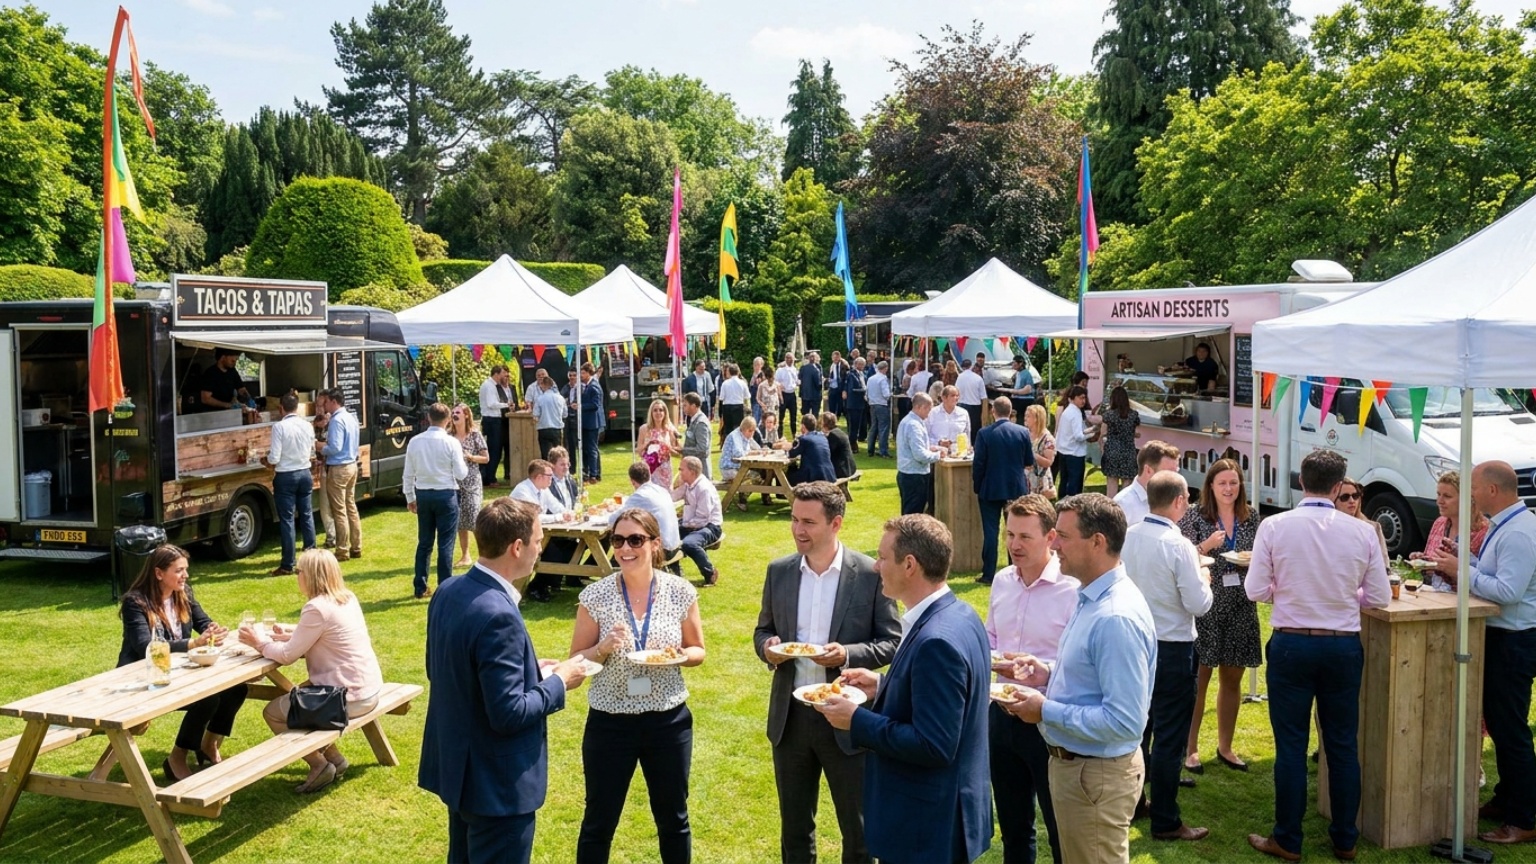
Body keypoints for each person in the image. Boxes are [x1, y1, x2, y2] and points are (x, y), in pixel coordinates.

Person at [419, 497, 589, 864]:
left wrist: (532, 674)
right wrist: (559, 680)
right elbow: (508, 713)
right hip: (495, 785)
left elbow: (448, 672)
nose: (540, 547)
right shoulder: (499, 614)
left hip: (461, 771)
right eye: (538, 539)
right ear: (517, 547)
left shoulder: (448, 590)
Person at [817, 515, 993, 864]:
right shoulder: (960, 615)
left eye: (883, 557)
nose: (876, 566)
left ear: (909, 565)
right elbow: (949, 699)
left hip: (926, 828)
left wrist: (856, 720)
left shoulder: (936, 640)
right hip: (942, 816)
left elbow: (934, 744)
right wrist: (882, 685)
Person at [1244, 450, 1389, 862]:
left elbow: (1255, 590)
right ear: (1339, 484)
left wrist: (1288, 590)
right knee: (1342, 745)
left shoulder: (1275, 525)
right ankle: (1344, 838)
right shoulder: (1360, 532)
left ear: (1301, 481)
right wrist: (1342, 593)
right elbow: (1377, 596)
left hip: (1293, 642)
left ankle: (1288, 838)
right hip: (1341, 644)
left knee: (1291, 746)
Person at [1002, 494, 1156, 864]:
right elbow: (1094, 678)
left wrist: (1045, 710)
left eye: (1064, 537)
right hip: (1083, 772)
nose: (1053, 544)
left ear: (1098, 542)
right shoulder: (1092, 598)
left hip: (1095, 776)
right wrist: (1049, 673)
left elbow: (1124, 721)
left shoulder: (1114, 617)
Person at [754, 481, 901, 864]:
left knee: (859, 832)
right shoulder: (780, 571)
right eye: (794, 519)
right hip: (791, 720)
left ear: (836, 523)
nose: (798, 530)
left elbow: (892, 641)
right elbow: (763, 630)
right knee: (795, 830)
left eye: (809, 522)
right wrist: (769, 649)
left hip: (848, 719)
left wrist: (847, 655)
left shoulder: (869, 573)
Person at [569, 509, 706, 864]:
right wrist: (601, 648)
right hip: (610, 721)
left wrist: (679, 655)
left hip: (668, 720)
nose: (625, 548)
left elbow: (698, 650)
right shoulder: (595, 597)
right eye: (618, 540)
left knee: (673, 818)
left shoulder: (679, 591)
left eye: (635, 540)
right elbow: (576, 663)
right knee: (599, 820)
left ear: (654, 543)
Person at [239, 548, 383, 794]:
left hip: (347, 698)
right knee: (298, 694)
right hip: (369, 690)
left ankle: (318, 764)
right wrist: (293, 634)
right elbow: (328, 633)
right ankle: (335, 760)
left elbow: (286, 656)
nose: (297, 576)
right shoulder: (347, 597)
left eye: (299, 571)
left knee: (274, 712)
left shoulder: (316, 608)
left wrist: (259, 643)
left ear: (311, 575)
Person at [986, 495, 1079, 864]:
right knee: (1013, 828)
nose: (1014, 545)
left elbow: (1077, 661)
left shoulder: (1072, 589)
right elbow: (991, 636)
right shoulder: (1002, 580)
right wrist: (992, 658)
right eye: (1009, 535)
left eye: (1025, 537)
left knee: (1060, 829)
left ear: (1051, 537)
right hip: (1001, 716)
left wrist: (1037, 666)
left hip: (1047, 721)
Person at [1121, 472, 1213, 842]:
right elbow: (1198, 604)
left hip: (1133, 641)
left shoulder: (1127, 536)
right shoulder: (1179, 545)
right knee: (1170, 737)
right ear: (1179, 501)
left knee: (1138, 731)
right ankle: (1165, 819)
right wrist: (1205, 581)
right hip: (1172, 647)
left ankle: (1134, 804)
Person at [114, 545, 243, 783]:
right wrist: (193, 644)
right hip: (143, 680)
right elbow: (146, 646)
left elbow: (203, 621)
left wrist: (212, 630)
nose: (186, 576)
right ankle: (177, 758)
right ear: (159, 573)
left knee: (237, 688)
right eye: (179, 570)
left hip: (179, 673)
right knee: (208, 698)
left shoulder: (184, 593)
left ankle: (209, 744)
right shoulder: (136, 602)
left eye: (186, 569)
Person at [1465, 461, 1536, 846]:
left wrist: (1462, 572)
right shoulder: (1506, 526)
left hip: (1515, 640)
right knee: (1501, 723)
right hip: (1503, 638)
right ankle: (1507, 798)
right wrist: (1463, 562)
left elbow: (1508, 592)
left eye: (1474, 487)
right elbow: (1496, 577)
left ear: (1493, 490)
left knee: (1510, 731)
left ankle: (1523, 818)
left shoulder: (1520, 532)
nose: (1471, 495)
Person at [1178, 458, 1261, 774]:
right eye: (1222, 483)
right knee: (1199, 678)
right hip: (1207, 604)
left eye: (1234, 483)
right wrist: (1205, 546)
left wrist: (1252, 561)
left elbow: (1262, 555)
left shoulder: (1251, 518)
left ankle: (1225, 747)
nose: (1229, 488)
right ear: (1210, 486)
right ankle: (1190, 748)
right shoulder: (1194, 517)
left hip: (1241, 602)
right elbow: (1182, 560)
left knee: (1233, 677)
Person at [404, 402, 468, 600]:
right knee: (445, 543)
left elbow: (408, 474)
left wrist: (410, 497)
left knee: (424, 542)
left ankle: (420, 586)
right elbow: (461, 473)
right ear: (448, 420)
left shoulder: (415, 441)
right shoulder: (451, 443)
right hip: (446, 493)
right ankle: (445, 587)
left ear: (428, 418)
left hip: (424, 494)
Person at [974, 397, 1035, 585]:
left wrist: (978, 486)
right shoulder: (1022, 432)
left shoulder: (984, 433)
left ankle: (989, 573)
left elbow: (979, 464)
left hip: (990, 488)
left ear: (993, 411)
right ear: (1010, 412)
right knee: (1017, 531)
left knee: (990, 531)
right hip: (1015, 488)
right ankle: (1016, 568)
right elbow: (1028, 460)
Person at [265, 391, 316, 577]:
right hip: (304, 472)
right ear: (297, 407)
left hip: (286, 475)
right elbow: (312, 450)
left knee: (287, 520)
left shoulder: (279, 427)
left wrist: (267, 460)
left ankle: (288, 563)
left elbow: (275, 457)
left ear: (281, 408)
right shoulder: (307, 425)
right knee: (307, 514)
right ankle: (312, 556)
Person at [1411, 470, 1489, 592]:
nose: (1439, 501)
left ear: (1466, 499)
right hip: (1437, 595)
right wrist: (1423, 561)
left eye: (1447, 496)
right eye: (1438, 494)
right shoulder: (1440, 523)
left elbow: (1484, 577)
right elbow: (1433, 564)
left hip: (1467, 600)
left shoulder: (1483, 531)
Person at [316, 388, 362, 562]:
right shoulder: (351, 417)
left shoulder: (336, 420)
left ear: (334, 402)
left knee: (339, 510)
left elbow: (334, 447)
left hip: (339, 468)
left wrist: (319, 446)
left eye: (326, 402)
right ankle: (356, 546)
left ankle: (342, 550)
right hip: (351, 465)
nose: (324, 405)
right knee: (351, 507)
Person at [672, 456, 723, 587]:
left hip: (710, 526)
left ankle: (710, 574)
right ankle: (675, 573)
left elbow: (702, 518)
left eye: (681, 469)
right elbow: (672, 497)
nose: (679, 472)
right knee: (668, 535)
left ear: (692, 472)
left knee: (689, 543)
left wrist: (683, 524)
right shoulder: (688, 484)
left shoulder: (703, 488)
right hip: (693, 523)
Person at [610, 462, 682, 554]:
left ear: (632, 481)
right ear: (649, 475)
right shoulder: (662, 490)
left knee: (624, 542)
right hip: (675, 544)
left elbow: (613, 520)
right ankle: (596, 563)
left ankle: (608, 565)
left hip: (662, 550)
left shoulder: (640, 496)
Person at [450, 403, 490, 568]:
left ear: (466, 415)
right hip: (455, 482)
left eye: (457, 412)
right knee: (460, 520)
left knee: (474, 517)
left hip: (472, 481)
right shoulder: (449, 436)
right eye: (452, 413)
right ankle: (465, 555)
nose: (454, 415)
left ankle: (485, 555)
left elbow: (486, 458)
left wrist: (471, 457)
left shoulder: (475, 434)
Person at [1113, 440, 1181, 527]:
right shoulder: (1124, 504)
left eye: (1176, 472)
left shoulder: (1172, 499)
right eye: (1168, 473)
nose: (1175, 478)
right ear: (1148, 470)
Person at [896, 393, 942, 515]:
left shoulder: (909, 421)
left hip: (908, 474)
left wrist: (935, 448)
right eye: (928, 409)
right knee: (913, 516)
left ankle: (906, 534)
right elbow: (920, 455)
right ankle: (909, 535)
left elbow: (917, 447)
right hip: (915, 476)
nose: (929, 413)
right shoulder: (913, 425)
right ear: (920, 407)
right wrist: (939, 455)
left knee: (909, 514)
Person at [1097, 386, 1140, 497]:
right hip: (1129, 452)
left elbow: (1102, 434)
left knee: (1111, 485)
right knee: (1127, 487)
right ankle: (1124, 510)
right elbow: (1136, 433)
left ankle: (1111, 511)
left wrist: (1102, 449)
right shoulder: (1134, 415)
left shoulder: (1108, 415)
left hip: (1112, 451)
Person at [1334, 476, 1389, 560]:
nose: (1352, 501)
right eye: (1345, 497)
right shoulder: (1328, 529)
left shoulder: (1373, 528)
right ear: (1334, 501)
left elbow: (1384, 564)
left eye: (1355, 496)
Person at [478, 365, 514, 487]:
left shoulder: (491, 385)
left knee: (494, 450)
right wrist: (506, 405)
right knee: (494, 450)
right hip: (492, 420)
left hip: (492, 420)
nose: (504, 377)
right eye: (503, 374)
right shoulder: (489, 386)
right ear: (496, 374)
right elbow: (491, 403)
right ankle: (490, 478)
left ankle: (489, 477)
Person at [1053, 386, 1089, 497]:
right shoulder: (1076, 413)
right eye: (1080, 398)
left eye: (1084, 398)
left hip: (1063, 451)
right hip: (1075, 453)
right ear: (1072, 398)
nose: (1083, 401)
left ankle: (1062, 503)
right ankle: (1073, 507)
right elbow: (1078, 436)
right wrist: (1091, 434)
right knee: (1075, 483)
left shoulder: (1067, 410)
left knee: (1064, 480)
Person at [637, 399, 681, 489]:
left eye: (661, 410)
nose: (658, 413)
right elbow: (639, 451)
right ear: (651, 413)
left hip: (665, 470)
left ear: (665, 413)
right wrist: (648, 444)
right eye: (655, 410)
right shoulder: (644, 429)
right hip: (649, 469)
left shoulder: (669, 429)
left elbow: (678, 453)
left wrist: (666, 447)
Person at [786, 414, 836, 486]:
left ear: (803, 426)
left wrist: (785, 449)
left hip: (813, 477)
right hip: (829, 475)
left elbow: (790, 454)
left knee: (789, 473)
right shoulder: (822, 437)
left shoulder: (804, 439)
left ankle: (783, 494)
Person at [579, 363, 605, 483]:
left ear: (589, 373)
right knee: (586, 448)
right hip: (586, 422)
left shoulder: (594, 386)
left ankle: (594, 474)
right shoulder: (586, 385)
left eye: (583, 373)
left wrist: (580, 406)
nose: (581, 375)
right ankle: (588, 472)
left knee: (592, 449)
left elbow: (595, 405)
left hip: (592, 422)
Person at [1023, 404, 1056, 499]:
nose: (1025, 418)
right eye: (1025, 415)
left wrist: (1032, 454)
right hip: (1026, 480)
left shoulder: (1048, 439)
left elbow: (1048, 462)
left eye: (1028, 416)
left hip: (1041, 482)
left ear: (1037, 419)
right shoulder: (1025, 434)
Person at [532, 376, 566, 462]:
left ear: (544, 385)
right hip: (557, 428)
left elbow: (536, 414)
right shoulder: (560, 398)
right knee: (558, 455)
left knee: (545, 454)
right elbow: (565, 414)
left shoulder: (540, 399)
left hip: (543, 428)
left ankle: (546, 472)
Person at [679, 393, 713, 480]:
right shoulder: (694, 420)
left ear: (693, 406)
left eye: (685, 405)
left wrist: (682, 450)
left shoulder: (701, 423)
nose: (683, 408)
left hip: (701, 473)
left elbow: (702, 449)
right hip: (694, 471)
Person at [717, 363, 750, 447]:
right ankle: (738, 444)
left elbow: (721, 397)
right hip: (738, 406)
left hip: (727, 406)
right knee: (738, 427)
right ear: (738, 372)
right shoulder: (742, 383)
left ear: (729, 372)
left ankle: (729, 445)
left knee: (728, 427)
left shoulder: (725, 383)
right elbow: (747, 396)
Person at [865, 360, 891, 458]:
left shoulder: (870, 378)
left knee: (873, 427)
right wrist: (890, 394)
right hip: (882, 404)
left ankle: (870, 449)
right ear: (885, 368)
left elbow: (867, 393)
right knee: (883, 428)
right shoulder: (883, 379)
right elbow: (886, 394)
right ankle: (883, 450)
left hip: (872, 404)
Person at [820, 411, 857, 480]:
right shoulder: (838, 432)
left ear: (824, 423)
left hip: (843, 470)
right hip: (849, 467)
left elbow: (826, 453)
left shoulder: (833, 435)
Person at [957, 358, 987, 434]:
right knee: (974, 430)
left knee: (963, 430)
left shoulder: (959, 377)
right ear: (971, 366)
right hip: (974, 408)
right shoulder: (978, 378)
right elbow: (984, 397)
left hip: (961, 405)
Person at [546, 446, 581, 514]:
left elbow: (576, 502)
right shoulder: (547, 483)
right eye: (562, 465)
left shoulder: (571, 481)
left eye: (567, 464)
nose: (566, 467)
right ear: (552, 465)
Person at [845, 357, 869, 446]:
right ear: (856, 364)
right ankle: (852, 443)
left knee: (860, 424)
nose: (862, 366)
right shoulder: (852, 375)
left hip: (861, 403)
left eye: (863, 364)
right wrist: (864, 390)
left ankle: (857, 439)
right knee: (853, 425)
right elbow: (852, 389)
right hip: (854, 404)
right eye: (861, 364)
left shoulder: (863, 374)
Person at [776, 353, 800, 431]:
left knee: (793, 416)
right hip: (783, 394)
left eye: (791, 358)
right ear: (785, 359)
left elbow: (797, 381)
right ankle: (779, 434)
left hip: (792, 394)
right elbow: (776, 381)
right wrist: (779, 385)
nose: (789, 360)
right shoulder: (780, 370)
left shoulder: (795, 370)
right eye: (788, 358)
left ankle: (794, 434)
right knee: (781, 416)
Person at [800, 352, 824, 417]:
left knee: (806, 415)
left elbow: (799, 379)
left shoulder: (803, 368)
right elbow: (819, 382)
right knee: (815, 414)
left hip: (806, 395)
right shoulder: (817, 368)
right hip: (815, 395)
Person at [827, 351, 847, 418]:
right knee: (831, 404)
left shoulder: (844, 365)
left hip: (840, 388)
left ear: (840, 357)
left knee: (840, 405)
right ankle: (832, 418)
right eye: (834, 358)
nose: (835, 359)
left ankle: (837, 416)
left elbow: (845, 377)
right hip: (832, 387)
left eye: (837, 357)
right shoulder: (832, 365)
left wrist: (844, 389)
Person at [749, 356, 768, 424]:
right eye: (755, 364)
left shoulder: (762, 376)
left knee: (757, 419)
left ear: (761, 365)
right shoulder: (753, 375)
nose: (756, 366)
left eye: (758, 364)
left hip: (759, 401)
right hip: (753, 399)